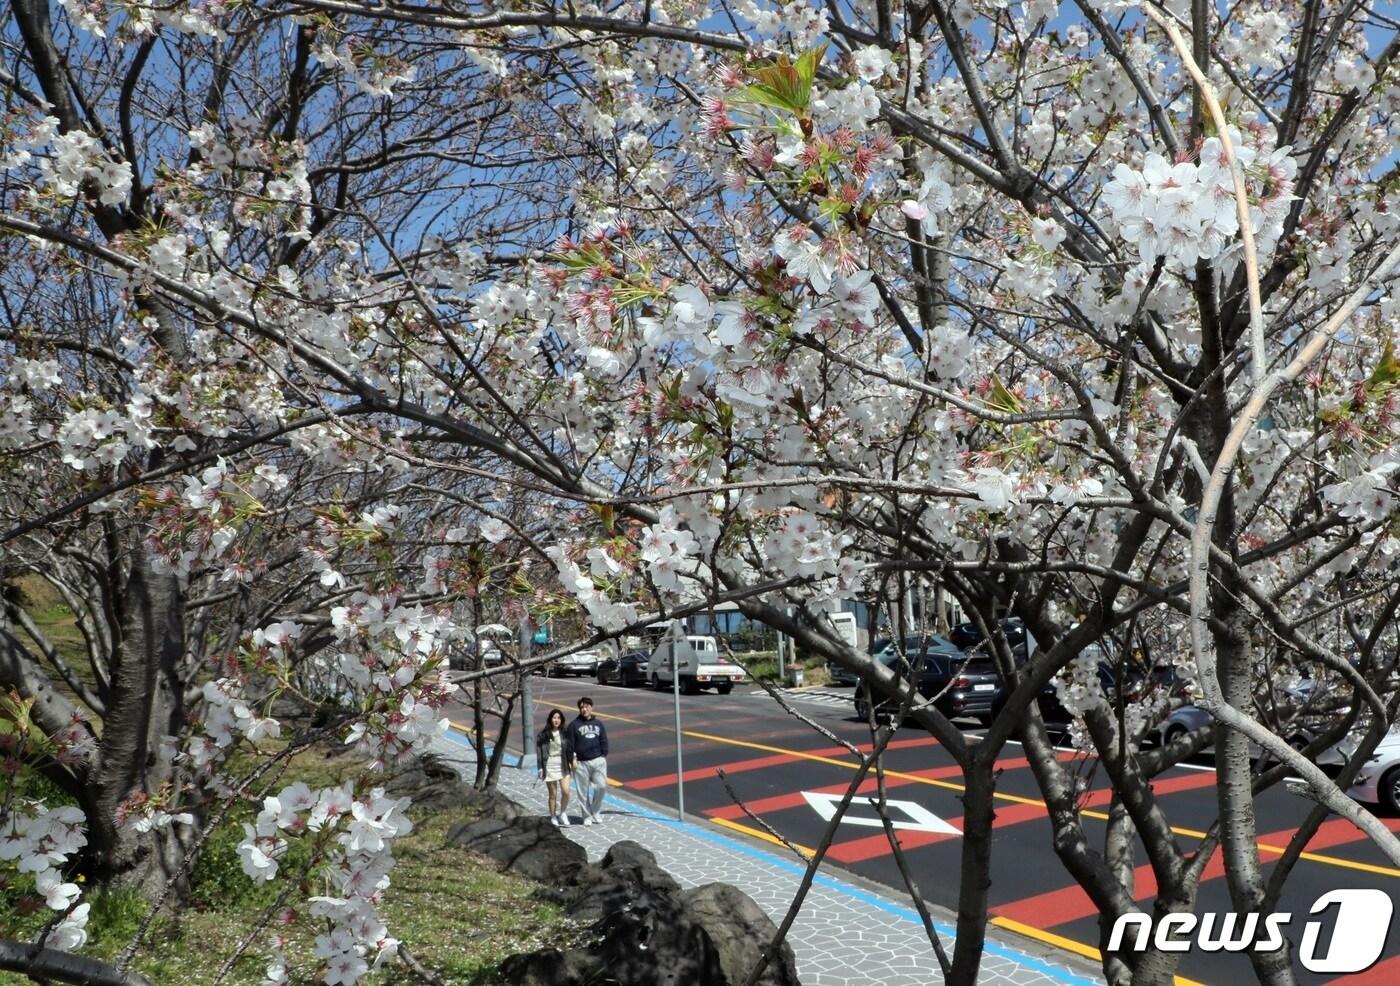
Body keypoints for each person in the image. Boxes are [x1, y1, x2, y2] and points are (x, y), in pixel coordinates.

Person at [567, 696, 609, 825]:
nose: (584, 709)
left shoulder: (598, 724)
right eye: (582, 707)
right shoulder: (574, 725)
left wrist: (603, 754)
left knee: (601, 786)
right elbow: (570, 745)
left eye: (587, 707)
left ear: (591, 707)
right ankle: (586, 816)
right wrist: (571, 760)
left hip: (598, 761)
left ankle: (595, 811)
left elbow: (603, 740)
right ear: (579, 709)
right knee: (582, 792)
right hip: (581, 763)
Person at [535, 708, 574, 826]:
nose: (556, 720)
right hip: (550, 765)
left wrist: (573, 758)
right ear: (550, 719)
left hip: (563, 765)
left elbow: (571, 748)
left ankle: (562, 813)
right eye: (554, 718)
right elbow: (539, 752)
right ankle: (553, 816)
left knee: (566, 791)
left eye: (558, 718)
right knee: (553, 794)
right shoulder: (543, 735)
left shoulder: (565, 733)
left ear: (561, 720)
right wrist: (540, 768)